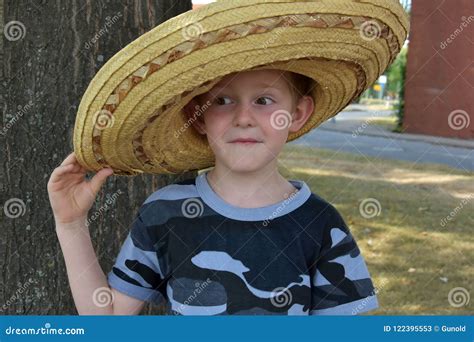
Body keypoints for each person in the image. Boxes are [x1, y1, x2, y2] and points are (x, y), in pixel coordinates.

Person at [48, 0, 409, 315]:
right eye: (222, 100)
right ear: (198, 115)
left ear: (298, 114)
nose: (243, 117)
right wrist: (70, 225)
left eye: (264, 100)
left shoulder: (321, 225)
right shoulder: (163, 214)